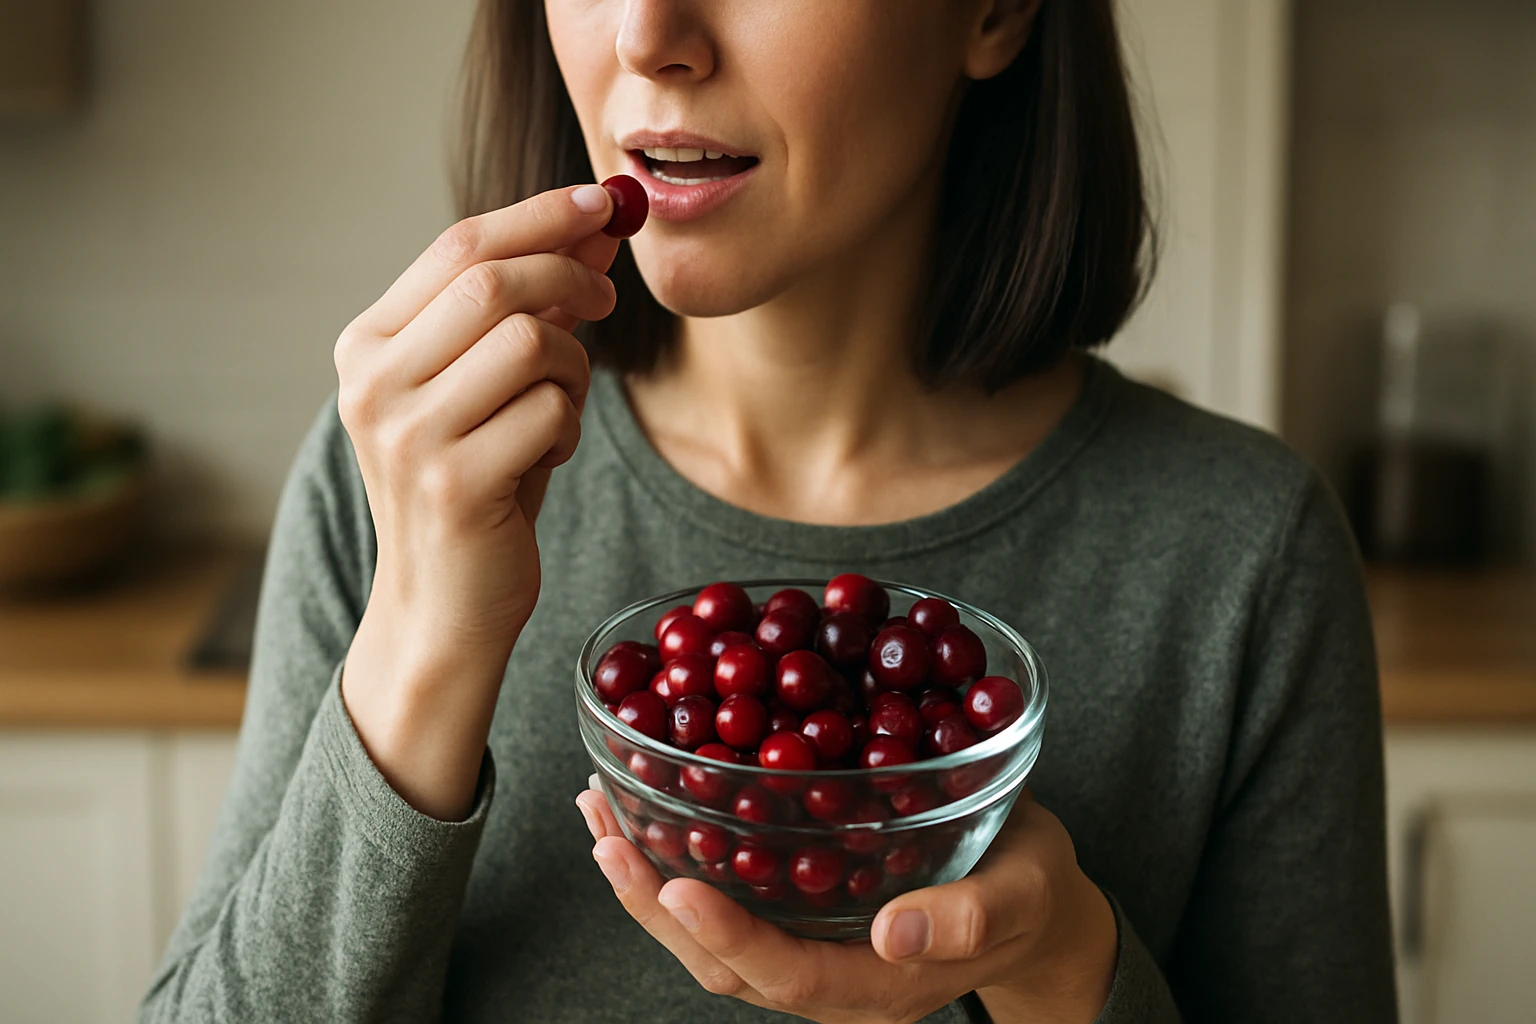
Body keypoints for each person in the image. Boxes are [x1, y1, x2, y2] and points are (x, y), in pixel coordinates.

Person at [141, 0, 1399, 1021]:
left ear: (998, 13)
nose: (647, 35)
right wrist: (420, 636)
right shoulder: (404, 474)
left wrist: (1062, 967)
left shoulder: (1244, 552)